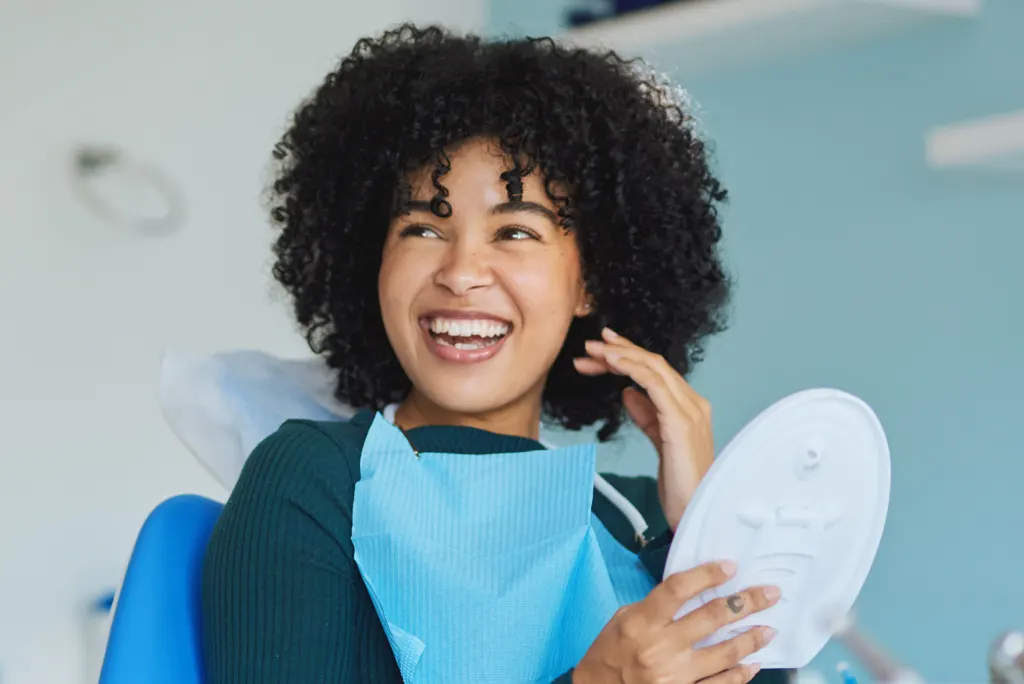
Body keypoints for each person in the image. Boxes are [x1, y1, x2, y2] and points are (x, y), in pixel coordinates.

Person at [202, 23, 791, 684]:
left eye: (515, 230)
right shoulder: (314, 480)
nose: (461, 272)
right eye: (423, 226)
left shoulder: (643, 518)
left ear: (589, 281)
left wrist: (707, 525)